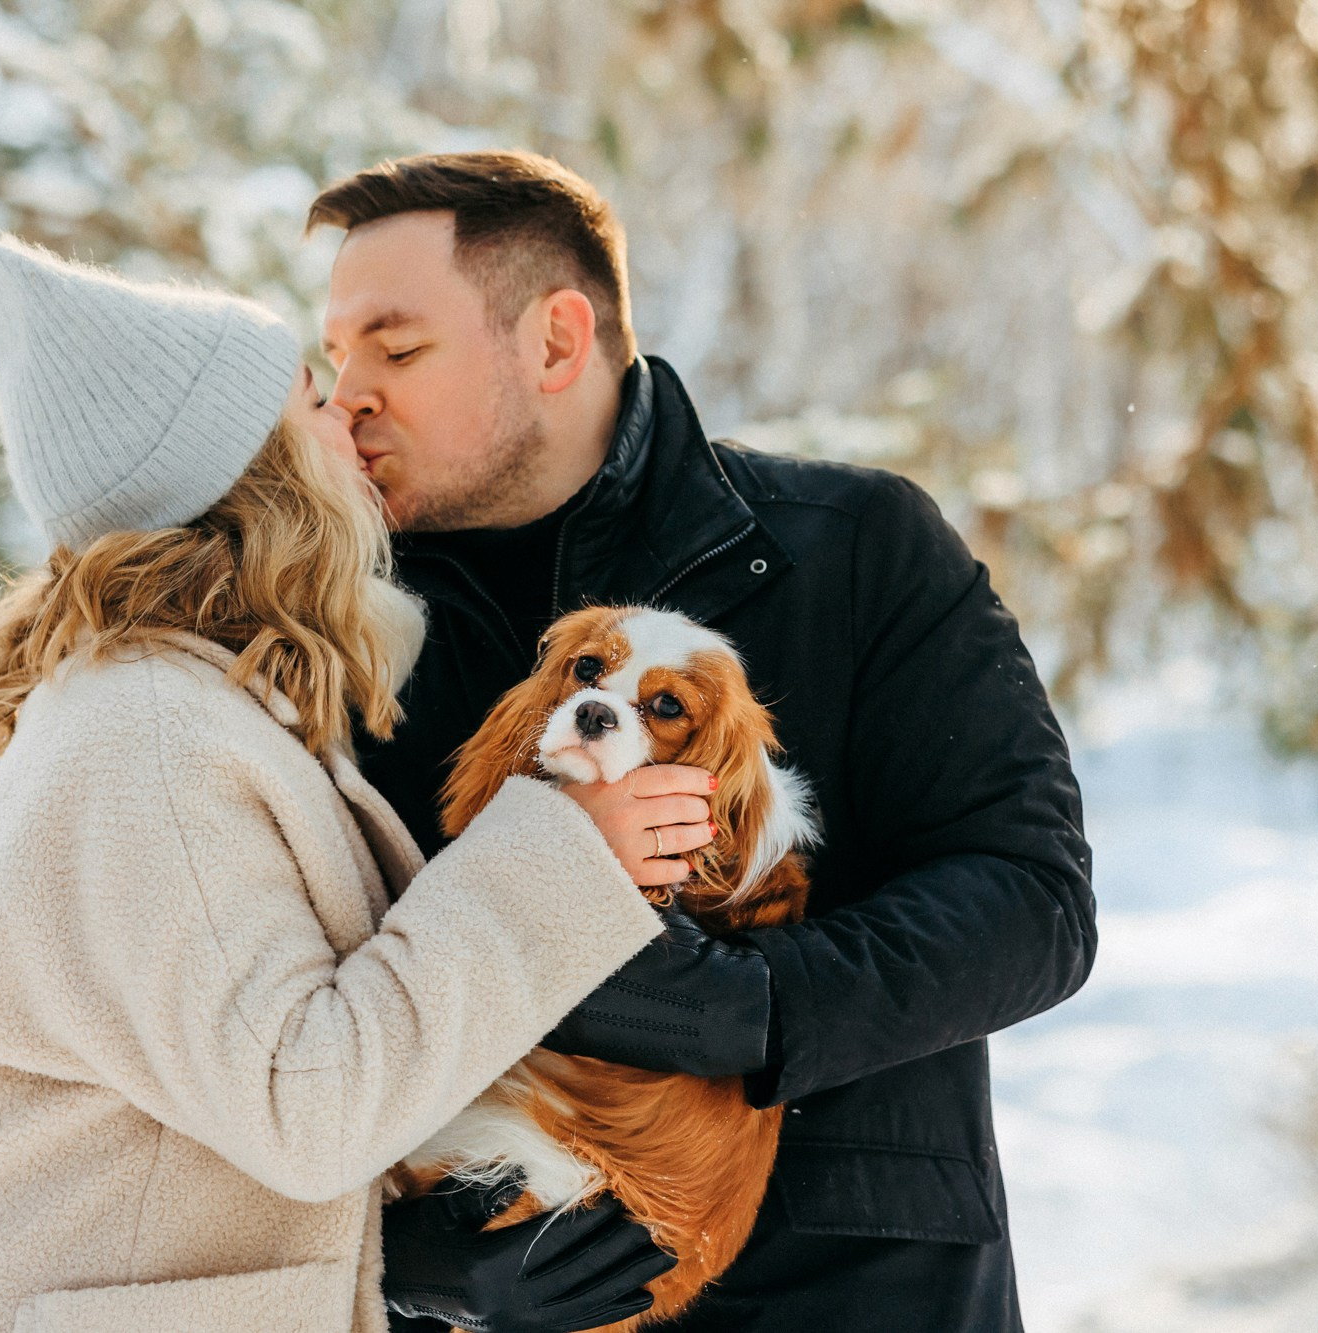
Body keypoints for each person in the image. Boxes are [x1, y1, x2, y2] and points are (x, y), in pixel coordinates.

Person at [0, 235, 709, 1332]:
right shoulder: (150, 736)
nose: (349, 419)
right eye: (309, 401)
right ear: (252, 473)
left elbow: (210, 1102)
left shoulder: (175, 714)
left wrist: (411, 1260)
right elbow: (307, 1106)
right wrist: (566, 853)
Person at [310, 151, 1097, 1332]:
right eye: (334, 360)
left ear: (557, 341)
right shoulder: (340, 638)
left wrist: (746, 1008)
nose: (347, 396)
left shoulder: (855, 549)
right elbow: (262, 1020)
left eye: (395, 347)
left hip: (856, 1300)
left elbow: (1029, 904)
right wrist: (382, 1253)